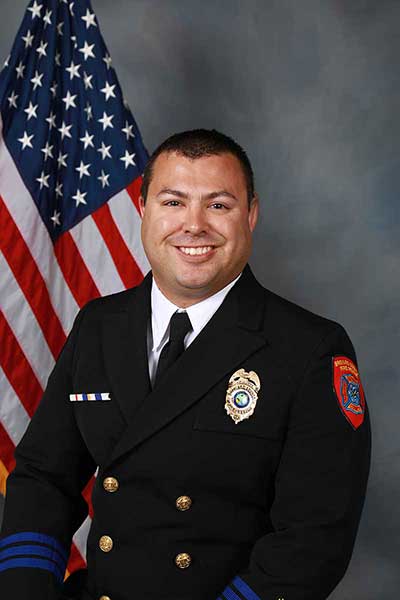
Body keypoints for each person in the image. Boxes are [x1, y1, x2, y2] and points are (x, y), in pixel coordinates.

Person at [0, 129, 371, 600]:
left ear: (251, 214)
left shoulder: (311, 350)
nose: (193, 225)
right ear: (143, 210)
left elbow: (314, 539)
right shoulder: (100, 325)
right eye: (173, 202)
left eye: (218, 205)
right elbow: (43, 478)